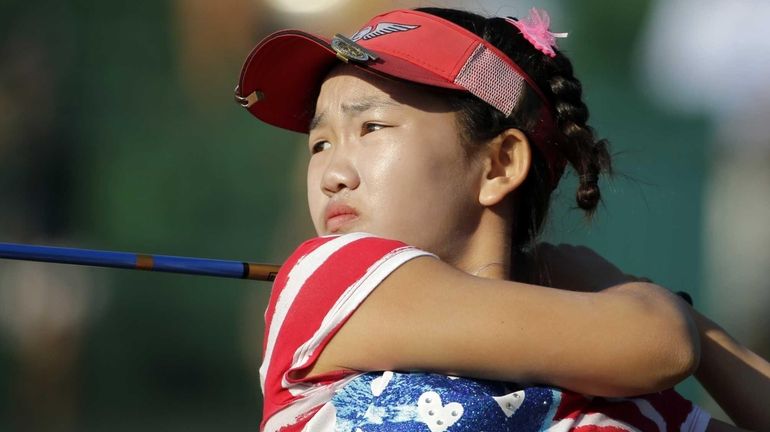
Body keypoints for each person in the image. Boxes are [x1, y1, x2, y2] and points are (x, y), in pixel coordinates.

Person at [234, 7, 770, 432]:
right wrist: (641, 300)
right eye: (320, 143)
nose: (332, 174)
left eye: (371, 128)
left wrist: (687, 324)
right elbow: (664, 347)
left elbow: (664, 345)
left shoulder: (613, 383)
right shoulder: (331, 280)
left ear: (499, 164)